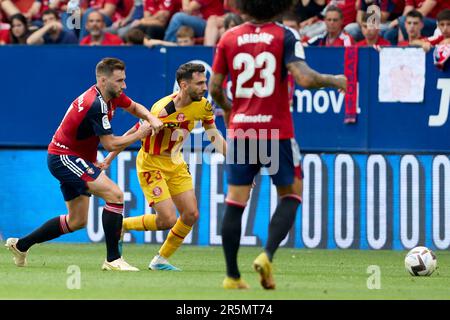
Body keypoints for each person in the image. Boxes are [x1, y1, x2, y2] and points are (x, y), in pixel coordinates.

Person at [209, 0, 347, 290]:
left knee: (235, 201)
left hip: (242, 130)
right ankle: (267, 254)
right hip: (276, 130)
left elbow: (214, 89)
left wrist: (231, 111)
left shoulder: (229, 37)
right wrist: (333, 79)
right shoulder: (284, 35)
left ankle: (232, 276)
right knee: (291, 193)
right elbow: (305, 79)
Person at [5, 57, 164, 271]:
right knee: (115, 195)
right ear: (103, 80)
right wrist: (141, 133)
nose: (124, 85)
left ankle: (21, 245)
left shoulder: (111, 95)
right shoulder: (95, 104)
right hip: (63, 157)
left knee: (77, 220)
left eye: (124, 80)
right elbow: (110, 144)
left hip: (73, 157)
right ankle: (113, 259)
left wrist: (151, 118)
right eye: (119, 81)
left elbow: (135, 107)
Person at [102, 63, 226, 271]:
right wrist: (109, 158)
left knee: (191, 214)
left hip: (175, 162)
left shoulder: (203, 106)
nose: (205, 87)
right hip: (151, 163)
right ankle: (122, 225)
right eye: (200, 83)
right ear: (183, 85)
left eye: (205, 82)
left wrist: (239, 166)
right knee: (167, 219)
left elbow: (214, 136)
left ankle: (160, 260)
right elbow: (133, 132)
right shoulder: (162, 110)